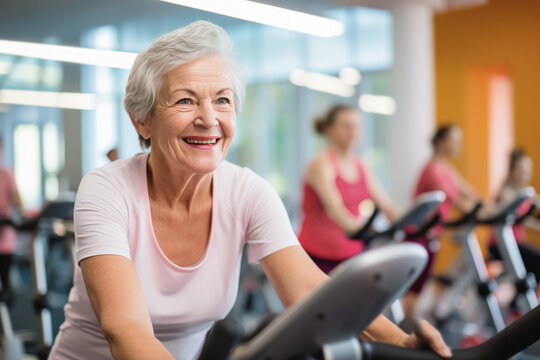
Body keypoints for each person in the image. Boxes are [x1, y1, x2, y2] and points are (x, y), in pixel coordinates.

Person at [49, 21, 451, 359]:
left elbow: (310, 291)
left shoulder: (247, 191)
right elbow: (125, 326)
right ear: (142, 120)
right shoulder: (105, 189)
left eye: (222, 100)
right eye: (186, 100)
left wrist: (402, 343)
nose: (209, 119)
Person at [297, 104, 401, 274]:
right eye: (346, 126)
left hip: (352, 253)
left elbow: (385, 203)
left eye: (357, 126)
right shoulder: (321, 164)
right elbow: (335, 209)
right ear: (329, 130)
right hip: (317, 256)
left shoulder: (361, 165)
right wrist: (361, 230)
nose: (353, 131)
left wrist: (410, 223)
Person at [404, 124, 481, 315]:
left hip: (433, 233)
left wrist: (491, 207)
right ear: (440, 142)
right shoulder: (432, 169)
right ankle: (405, 328)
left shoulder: (448, 169)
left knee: (422, 284)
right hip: (419, 233)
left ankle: (415, 321)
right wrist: (479, 212)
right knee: (415, 286)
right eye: (453, 141)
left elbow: (470, 193)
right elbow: (455, 199)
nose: (458, 145)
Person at [489, 148, 540, 298]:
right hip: (499, 246)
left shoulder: (526, 192)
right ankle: (523, 308)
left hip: (515, 244)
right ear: (511, 170)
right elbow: (523, 219)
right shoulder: (506, 193)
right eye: (522, 170)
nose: (526, 175)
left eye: (528, 171)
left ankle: (520, 305)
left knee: (531, 272)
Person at [0, 136, 24, 301]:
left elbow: (17, 200)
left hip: (4, 233)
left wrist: (25, 218)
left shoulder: (6, 173)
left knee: (5, 282)